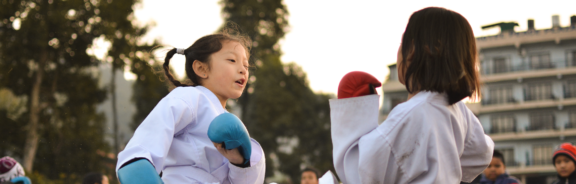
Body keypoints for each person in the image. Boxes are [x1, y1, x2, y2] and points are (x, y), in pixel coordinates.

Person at [330, 7, 494, 183]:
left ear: (413, 50)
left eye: (402, 42)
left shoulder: (412, 113)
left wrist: (353, 113)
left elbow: (358, 173)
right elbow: (481, 153)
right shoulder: (458, 111)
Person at [115, 32, 265, 183]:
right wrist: (136, 169)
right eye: (232, 60)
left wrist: (239, 162)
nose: (243, 69)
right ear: (201, 68)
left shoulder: (231, 122)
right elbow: (148, 139)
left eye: (246, 65)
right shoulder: (190, 97)